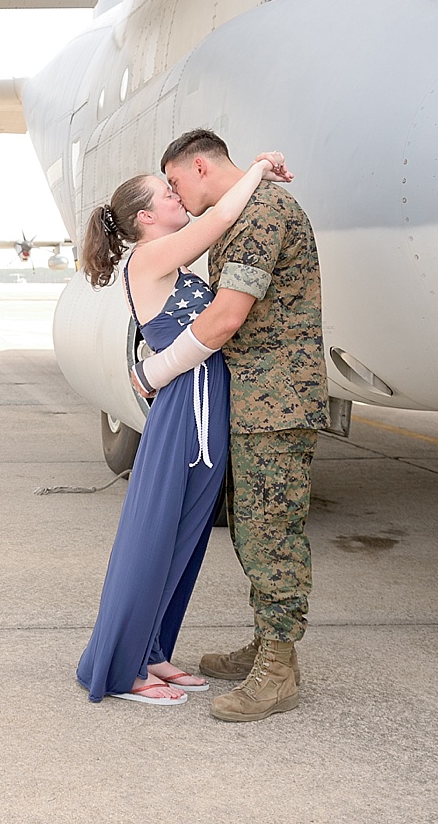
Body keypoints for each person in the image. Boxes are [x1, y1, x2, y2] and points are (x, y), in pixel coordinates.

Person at [75, 151, 290, 706]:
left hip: (205, 404)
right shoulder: (149, 259)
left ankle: (152, 650)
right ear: (147, 217)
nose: (177, 197)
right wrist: (258, 171)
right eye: (166, 193)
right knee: (152, 536)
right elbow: (219, 220)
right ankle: (122, 669)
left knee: (186, 537)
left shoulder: (170, 263)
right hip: (182, 411)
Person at [159, 128, 327, 723]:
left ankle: (278, 669)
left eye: (176, 183)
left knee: (270, 532)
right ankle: (267, 643)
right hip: (259, 399)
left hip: (276, 403)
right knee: (257, 531)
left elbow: (227, 316)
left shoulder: (261, 215)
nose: (176, 199)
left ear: (200, 167)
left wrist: (157, 370)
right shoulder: (244, 210)